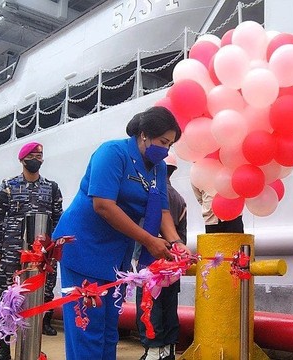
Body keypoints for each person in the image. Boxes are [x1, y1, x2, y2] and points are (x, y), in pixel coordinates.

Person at [52, 107, 190, 360]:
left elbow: (161, 209)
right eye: (163, 142)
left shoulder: (157, 167)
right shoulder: (112, 153)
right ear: (145, 134)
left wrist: (176, 241)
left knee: (108, 329)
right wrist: (149, 240)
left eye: (170, 145)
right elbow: (103, 205)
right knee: (87, 327)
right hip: (85, 246)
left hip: (116, 253)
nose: (165, 150)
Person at [0, 142, 63, 360]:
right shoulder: (8, 187)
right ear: (22, 159)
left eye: (40, 155)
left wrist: (56, 250)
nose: (37, 159)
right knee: (7, 300)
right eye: (33, 155)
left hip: (42, 257)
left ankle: (32, 345)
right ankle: (3, 348)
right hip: (12, 253)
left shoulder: (52, 187)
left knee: (40, 298)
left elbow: (58, 219)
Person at [136, 153, 187, 360]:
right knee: (169, 305)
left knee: (149, 305)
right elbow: (181, 235)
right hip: (173, 263)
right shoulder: (180, 200)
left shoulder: (150, 193)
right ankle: (168, 350)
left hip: (150, 261)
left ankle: (153, 350)